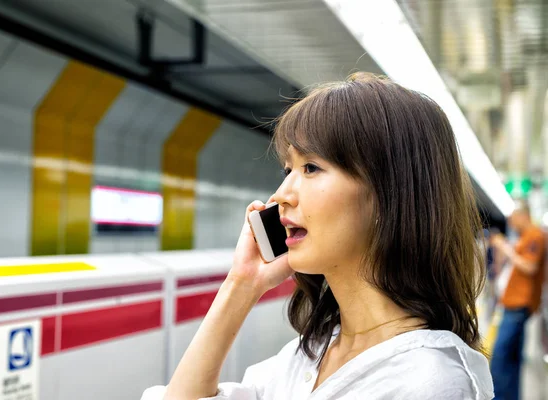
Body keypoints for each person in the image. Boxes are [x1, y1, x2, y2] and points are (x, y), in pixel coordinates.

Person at [143, 73, 494, 399]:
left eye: (311, 167)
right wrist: (242, 284)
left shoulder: (428, 382)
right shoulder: (308, 355)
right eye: (288, 169)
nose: (281, 194)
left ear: (390, 194)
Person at [489, 204, 545, 400]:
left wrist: (506, 248)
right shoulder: (526, 238)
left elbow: (529, 266)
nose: (511, 224)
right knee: (512, 358)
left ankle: (499, 397)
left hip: (518, 305)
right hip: (514, 304)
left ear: (523, 216)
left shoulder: (535, 236)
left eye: (513, 219)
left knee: (500, 356)